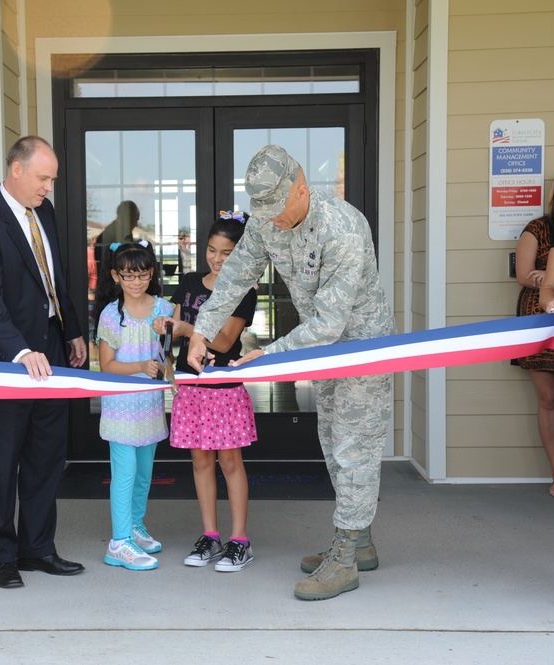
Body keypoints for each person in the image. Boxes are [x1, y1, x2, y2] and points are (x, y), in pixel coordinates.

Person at [185, 145, 395, 601]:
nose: (271, 221)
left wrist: (271, 355)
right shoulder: (266, 219)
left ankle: (345, 559)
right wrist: (202, 330)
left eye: (277, 210)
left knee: (354, 447)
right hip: (322, 355)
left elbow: (328, 324)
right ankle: (359, 543)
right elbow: (236, 275)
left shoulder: (343, 228)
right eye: (263, 213)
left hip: (360, 349)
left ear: (301, 189)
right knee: (332, 446)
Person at [0, 135, 87, 589]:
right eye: (43, 177)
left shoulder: (44, 213)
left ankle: (37, 549)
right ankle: (1, 556)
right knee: (0, 461)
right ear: (16, 170)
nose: (49, 187)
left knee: (45, 455)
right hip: (5, 361)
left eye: (52, 179)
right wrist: (20, 350)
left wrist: (70, 330)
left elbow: (57, 280)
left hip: (51, 352)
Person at [152, 211, 258, 572]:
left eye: (226, 252)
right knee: (200, 462)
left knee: (230, 462)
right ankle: (210, 535)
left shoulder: (242, 291)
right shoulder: (189, 282)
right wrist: (167, 327)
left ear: (240, 254)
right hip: (190, 386)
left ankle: (240, 540)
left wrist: (185, 328)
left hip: (223, 387)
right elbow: (176, 335)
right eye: (212, 250)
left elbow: (226, 340)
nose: (216, 258)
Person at [94, 241, 173, 571]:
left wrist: (165, 364)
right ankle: (119, 542)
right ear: (115, 276)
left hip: (150, 406)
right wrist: (141, 366)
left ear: (152, 273)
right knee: (123, 474)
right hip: (120, 409)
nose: (136, 282)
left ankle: (135, 526)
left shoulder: (164, 310)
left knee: (143, 475)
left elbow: (168, 358)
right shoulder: (112, 315)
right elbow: (106, 365)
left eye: (142, 275)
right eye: (128, 276)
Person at [514, 170, 554, 498]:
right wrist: (547, 280)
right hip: (542, 319)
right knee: (550, 398)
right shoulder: (539, 228)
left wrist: (546, 274)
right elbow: (523, 273)